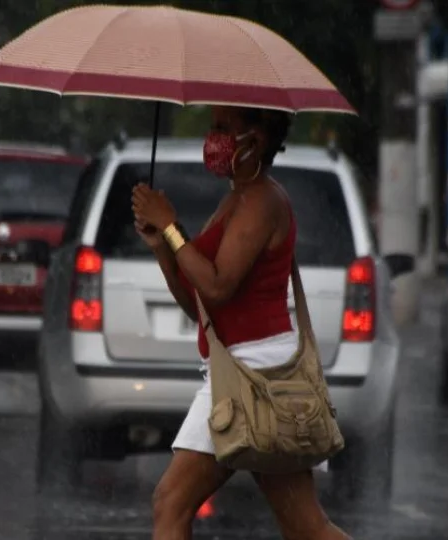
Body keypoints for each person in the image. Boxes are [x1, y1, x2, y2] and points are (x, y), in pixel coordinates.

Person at [131, 105, 351, 540]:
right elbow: (200, 306)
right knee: (305, 528)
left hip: (256, 375)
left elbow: (218, 285)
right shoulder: (239, 198)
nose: (213, 139)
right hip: (240, 368)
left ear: (257, 139)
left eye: (223, 129)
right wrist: (162, 244)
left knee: (171, 503)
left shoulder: (262, 200)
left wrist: (173, 226)